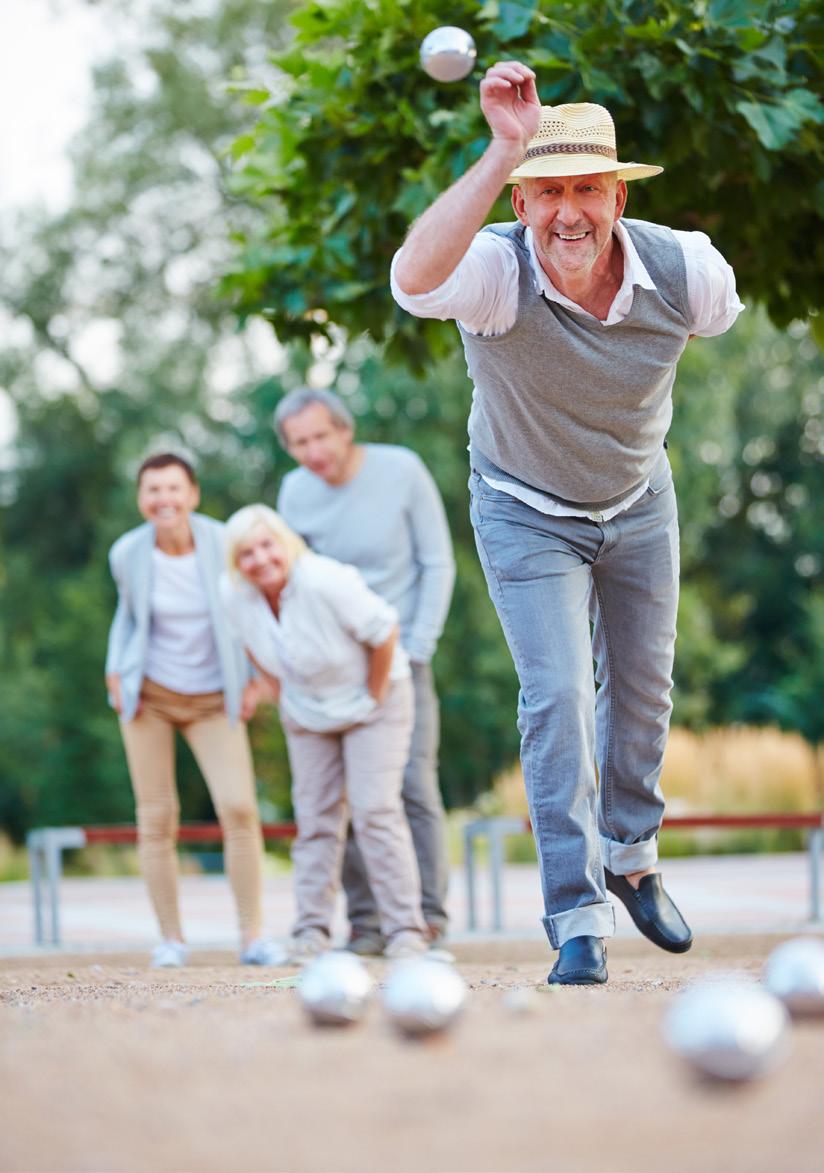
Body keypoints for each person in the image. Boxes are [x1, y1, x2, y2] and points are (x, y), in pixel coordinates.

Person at [391, 62, 744, 985]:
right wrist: (505, 144)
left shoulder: (687, 272)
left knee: (642, 692)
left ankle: (632, 857)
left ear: (619, 194)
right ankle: (576, 913)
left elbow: (716, 323)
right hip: (523, 506)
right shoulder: (496, 275)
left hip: (638, 499)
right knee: (556, 701)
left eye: (587, 188)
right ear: (521, 200)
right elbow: (410, 278)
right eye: (547, 192)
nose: (569, 213)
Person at [275, 387, 455, 955]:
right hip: (332, 668)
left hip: (402, 657)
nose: (312, 451)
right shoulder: (294, 494)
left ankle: (425, 917)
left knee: (409, 786)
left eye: (320, 436)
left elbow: (437, 561)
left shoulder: (401, 470)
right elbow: (290, 580)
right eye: (299, 443)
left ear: (344, 430)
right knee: (341, 795)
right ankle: (368, 921)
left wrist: (419, 645)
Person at [220, 503, 430, 963]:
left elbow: (385, 631)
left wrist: (373, 699)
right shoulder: (234, 595)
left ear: (285, 544)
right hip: (307, 709)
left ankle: (406, 933)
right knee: (315, 819)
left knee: (375, 811)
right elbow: (251, 646)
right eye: (246, 553)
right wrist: (279, 692)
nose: (260, 559)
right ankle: (310, 932)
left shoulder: (323, 579)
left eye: (266, 545)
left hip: (375, 698)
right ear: (236, 563)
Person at [105, 453, 280, 968]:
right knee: (157, 816)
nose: (164, 500)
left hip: (211, 698)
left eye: (173, 489)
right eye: (153, 490)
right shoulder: (127, 553)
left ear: (193, 494)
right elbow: (128, 616)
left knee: (239, 809)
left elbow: (247, 611)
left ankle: (251, 937)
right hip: (150, 696)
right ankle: (171, 940)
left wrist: (255, 679)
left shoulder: (221, 542)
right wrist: (116, 669)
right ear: (141, 499)